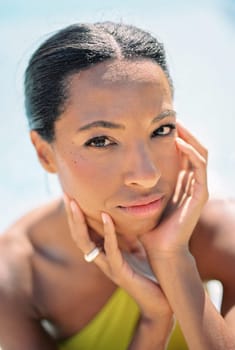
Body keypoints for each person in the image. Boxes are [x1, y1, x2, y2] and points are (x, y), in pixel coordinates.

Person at [0, 21, 235, 350]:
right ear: (44, 153)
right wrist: (154, 322)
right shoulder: (17, 276)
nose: (147, 174)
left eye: (161, 130)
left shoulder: (216, 229)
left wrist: (173, 259)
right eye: (100, 140)